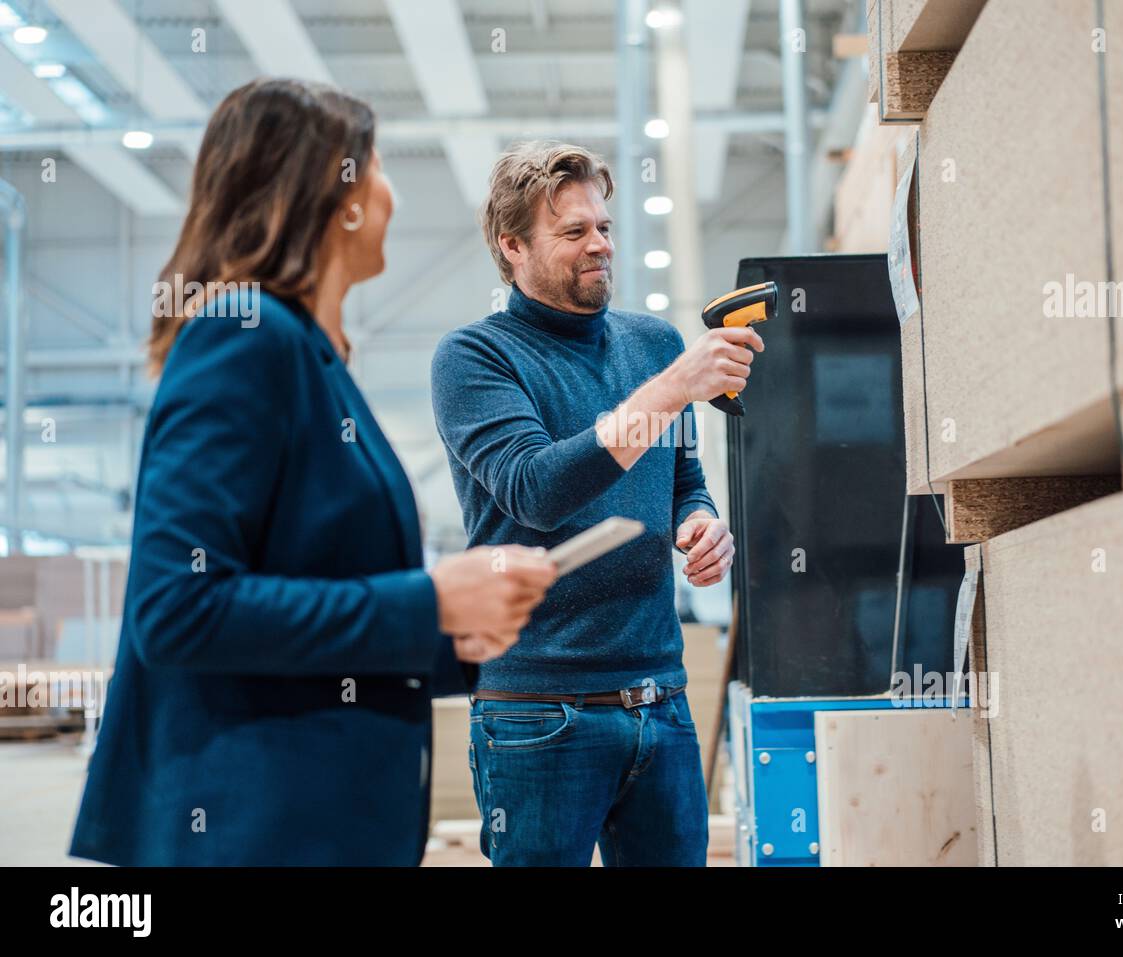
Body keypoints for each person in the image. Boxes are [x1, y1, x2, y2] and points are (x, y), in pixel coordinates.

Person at [69, 79, 556, 867]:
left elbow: (313, 604)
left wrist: (454, 639)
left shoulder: (311, 357)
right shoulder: (245, 339)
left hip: (317, 824)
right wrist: (427, 598)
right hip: (249, 827)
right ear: (335, 194)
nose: (393, 193)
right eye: (380, 167)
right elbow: (177, 606)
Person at [431, 141, 763, 866]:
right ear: (512, 245)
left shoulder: (653, 345)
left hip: (661, 704)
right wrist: (673, 387)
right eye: (574, 232)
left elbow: (684, 481)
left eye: (604, 227)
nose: (600, 245)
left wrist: (700, 525)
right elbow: (537, 488)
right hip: (538, 715)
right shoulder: (475, 359)